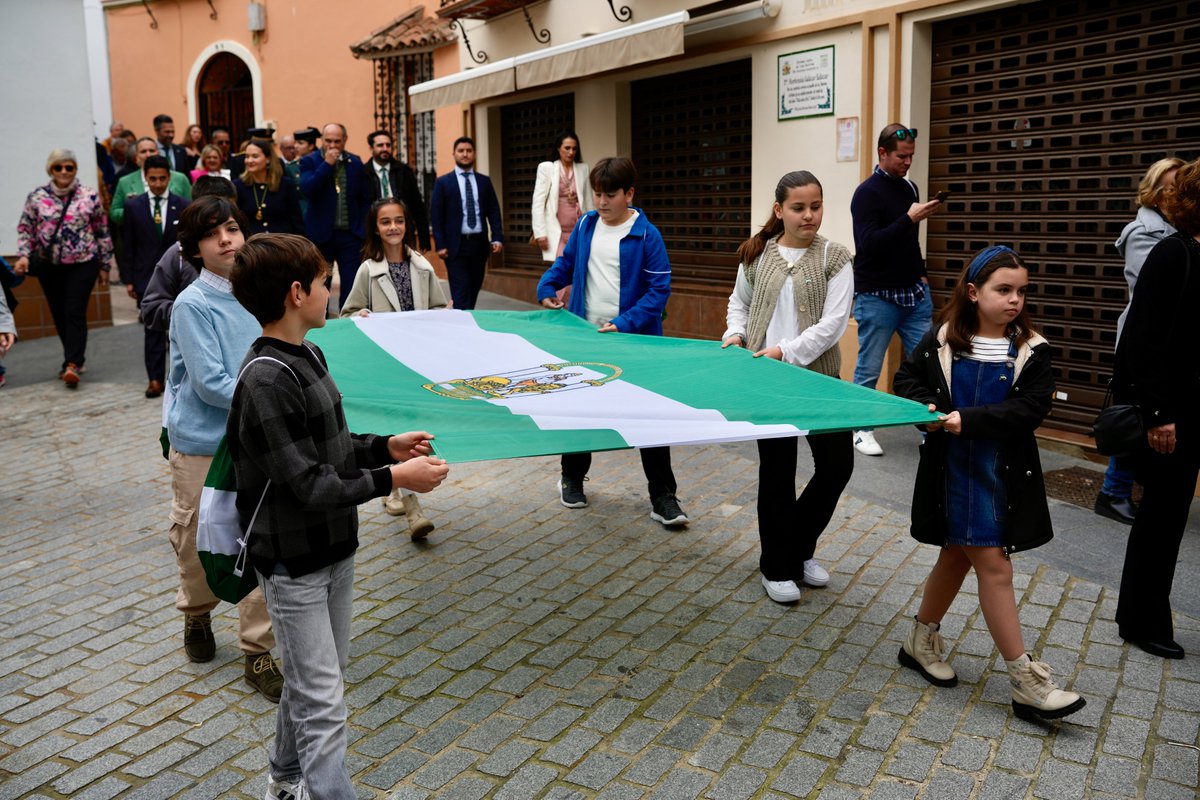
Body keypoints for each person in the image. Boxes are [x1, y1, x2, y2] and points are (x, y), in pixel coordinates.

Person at [228, 233, 448, 799]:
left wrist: (385, 448)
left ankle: (281, 779)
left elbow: (332, 445)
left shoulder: (310, 353)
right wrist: (394, 481)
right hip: (292, 564)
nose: (333, 292)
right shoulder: (266, 379)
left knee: (314, 684)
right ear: (297, 293)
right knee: (324, 703)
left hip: (334, 550)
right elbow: (307, 482)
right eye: (326, 283)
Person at [892, 245, 1085, 721]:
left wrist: (967, 420)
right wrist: (932, 415)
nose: (1014, 299)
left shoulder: (1032, 350)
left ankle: (919, 639)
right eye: (1003, 290)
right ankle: (1025, 680)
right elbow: (907, 381)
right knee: (994, 567)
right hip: (952, 471)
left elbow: (1029, 410)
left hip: (999, 474)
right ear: (974, 293)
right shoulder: (942, 339)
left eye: (1021, 291)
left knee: (958, 555)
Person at [165, 196, 283, 701]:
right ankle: (196, 614)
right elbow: (212, 384)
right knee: (197, 543)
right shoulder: (192, 304)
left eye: (232, 228)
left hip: (253, 440)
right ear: (195, 247)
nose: (227, 240)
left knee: (254, 541)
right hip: (201, 445)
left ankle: (257, 653)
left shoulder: (257, 292)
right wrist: (278, 389)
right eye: (213, 234)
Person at [721, 171, 855, 603]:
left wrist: (785, 350)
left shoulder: (835, 257)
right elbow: (738, 303)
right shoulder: (757, 253)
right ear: (780, 210)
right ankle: (777, 566)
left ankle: (796, 548)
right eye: (799, 207)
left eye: (816, 206)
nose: (809, 215)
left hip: (819, 381)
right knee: (777, 474)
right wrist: (735, 335)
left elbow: (833, 326)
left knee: (837, 466)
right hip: (767, 381)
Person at [536, 156, 687, 528]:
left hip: (634, 341)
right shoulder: (587, 225)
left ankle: (662, 496)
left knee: (651, 418)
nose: (602, 202)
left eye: (610, 195)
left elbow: (658, 292)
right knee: (578, 409)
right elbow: (566, 264)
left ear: (629, 194)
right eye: (598, 194)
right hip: (585, 337)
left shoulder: (647, 235)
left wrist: (624, 323)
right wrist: (546, 287)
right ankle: (572, 477)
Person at [1112, 157, 1200, 661]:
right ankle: (1143, 619)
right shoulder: (1172, 254)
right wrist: (1158, 413)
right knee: (1162, 519)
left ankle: (1140, 614)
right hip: (1173, 411)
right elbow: (1140, 344)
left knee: (1172, 514)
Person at [341, 198, 448, 539]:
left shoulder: (422, 266)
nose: (393, 228)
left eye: (398, 221)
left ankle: (396, 491)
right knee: (399, 430)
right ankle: (414, 510)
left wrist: (443, 316)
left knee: (410, 429)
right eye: (385, 222)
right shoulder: (366, 271)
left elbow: (435, 308)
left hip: (415, 363)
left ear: (407, 225)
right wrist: (361, 316)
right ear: (376, 227)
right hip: (383, 364)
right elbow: (348, 313)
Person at [1095, 156, 1185, 525]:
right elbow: (1149, 291)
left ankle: (1136, 489)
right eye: (1170, 185)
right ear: (1154, 190)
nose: (1176, 192)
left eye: (1181, 185)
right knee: (1135, 416)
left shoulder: (1176, 227)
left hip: (1167, 341)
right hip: (1142, 339)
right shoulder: (1144, 232)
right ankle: (1113, 492)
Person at [849, 124, 944, 457]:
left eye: (911, 156)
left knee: (929, 362)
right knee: (870, 366)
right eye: (902, 156)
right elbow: (869, 244)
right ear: (883, 153)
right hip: (876, 295)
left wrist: (922, 275)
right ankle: (860, 429)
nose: (908, 163)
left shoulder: (910, 186)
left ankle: (926, 424)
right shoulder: (866, 193)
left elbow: (908, 241)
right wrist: (908, 218)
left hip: (913, 294)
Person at [14, 148, 115, 387]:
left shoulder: (88, 196)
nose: (64, 171)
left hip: (83, 263)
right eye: (58, 167)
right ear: (51, 169)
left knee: (74, 311)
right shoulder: (36, 197)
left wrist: (105, 265)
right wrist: (23, 256)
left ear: (75, 170)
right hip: (49, 266)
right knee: (59, 313)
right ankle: (72, 357)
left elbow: (102, 231)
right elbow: (26, 229)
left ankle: (72, 363)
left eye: (69, 167)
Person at [122, 155, 189, 398]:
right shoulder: (134, 206)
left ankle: (180, 376)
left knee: (179, 327)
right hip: (146, 276)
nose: (158, 183)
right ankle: (154, 379)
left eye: (162, 178)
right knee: (152, 328)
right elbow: (127, 245)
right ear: (145, 179)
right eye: (153, 179)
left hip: (178, 276)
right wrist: (128, 277)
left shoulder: (182, 204)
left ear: (169, 178)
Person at [142, 176, 237, 333]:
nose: (224, 239)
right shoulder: (178, 254)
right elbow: (151, 307)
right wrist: (190, 314)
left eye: (231, 226)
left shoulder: (248, 249)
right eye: (211, 230)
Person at [431, 136, 504, 310]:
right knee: (461, 291)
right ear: (454, 154)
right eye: (461, 151)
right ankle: (461, 326)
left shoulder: (484, 181)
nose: (465, 154)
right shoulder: (443, 183)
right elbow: (436, 215)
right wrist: (440, 244)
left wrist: (497, 238)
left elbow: (493, 210)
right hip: (455, 247)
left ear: (474, 154)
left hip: (479, 244)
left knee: (473, 288)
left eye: (469, 151)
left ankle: (466, 320)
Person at [299, 123, 367, 305]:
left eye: (337, 141)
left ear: (345, 140)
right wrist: (327, 164)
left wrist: (362, 229)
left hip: (350, 235)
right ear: (322, 140)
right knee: (321, 284)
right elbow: (308, 189)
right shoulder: (309, 161)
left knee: (352, 284)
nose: (333, 145)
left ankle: (348, 320)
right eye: (328, 141)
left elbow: (364, 198)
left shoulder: (355, 162)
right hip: (321, 235)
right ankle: (323, 323)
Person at [362, 130, 431, 252]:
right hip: (374, 235)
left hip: (403, 232)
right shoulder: (363, 173)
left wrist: (424, 239)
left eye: (388, 145)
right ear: (371, 148)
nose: (385, 149)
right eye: (380, 145)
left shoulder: (404, 171)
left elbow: (417, 206)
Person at [532, 130, 592, 261]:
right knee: (561, 268)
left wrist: (592, 228)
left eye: (574, 149)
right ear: (559, 148)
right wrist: (540, 233)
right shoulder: (547, 168)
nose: (571, 152)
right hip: (556, 230)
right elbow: (538, 202)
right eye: (567, 148)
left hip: (578, 229)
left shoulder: (583, 169)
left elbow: (588, 201)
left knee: (578, 268)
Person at [110, 137, 192, 226]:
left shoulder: (180, 178)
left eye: (152, 150)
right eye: (143, 151)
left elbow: (191, 209)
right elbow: (114, 213)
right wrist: (134, 210)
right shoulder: (124, 181)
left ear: (158, 153)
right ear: (136, 157)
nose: (148, 155)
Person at [234, 139, 304, 236]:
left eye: (255, 156)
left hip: (282, 244)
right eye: (247, 156)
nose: (249, 160)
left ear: (268, 159)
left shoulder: (285, 184)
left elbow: (296, 220)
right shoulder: (238, 186)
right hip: (253, 245)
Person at [286, 127, 320, 218]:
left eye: (300, 143)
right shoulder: (290, 167)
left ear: (311, 146)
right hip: (300, 214)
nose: (296, 146)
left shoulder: (321, 165)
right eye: (295, 143)